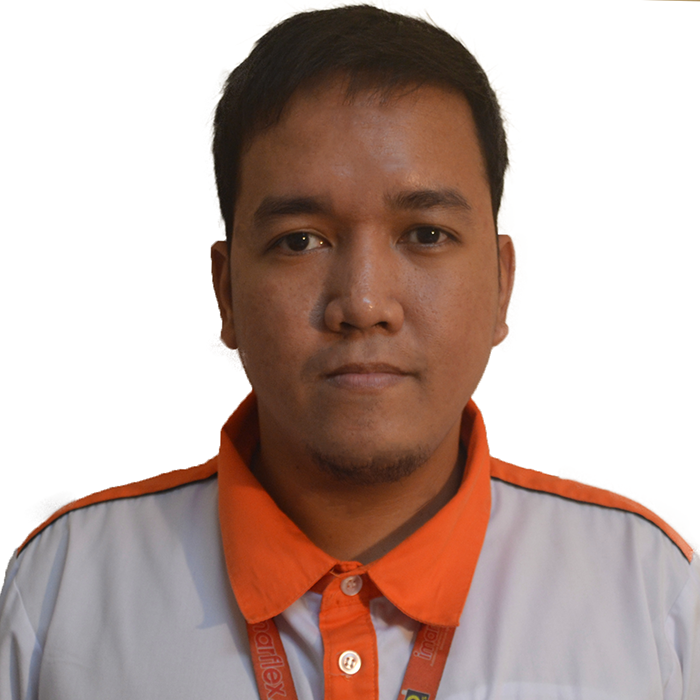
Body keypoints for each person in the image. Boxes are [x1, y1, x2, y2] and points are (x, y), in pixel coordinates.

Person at [1, 4, 698, 699]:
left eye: (426, 235)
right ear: (227, 292)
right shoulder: (63, 591)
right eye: (300, 240)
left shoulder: (649, 598)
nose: (363, 304)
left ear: (502, 284)